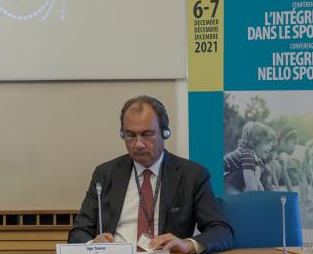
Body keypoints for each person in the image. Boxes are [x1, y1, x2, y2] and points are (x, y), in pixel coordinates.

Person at [69, 95, 233, 253]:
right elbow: (78, 232)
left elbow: (221, 231)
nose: (138, 144)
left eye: (147, 134)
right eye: (130, 135)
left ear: (165, 133)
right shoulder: (105, 174)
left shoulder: (192, 175)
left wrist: (187, 244)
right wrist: (94, 245)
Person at [223, 121, 276, 194]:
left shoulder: (251, 157)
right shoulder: (247, 155)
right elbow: (251, 190)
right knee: (255, 170)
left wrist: (264, 196)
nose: (270, 147)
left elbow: (258, 185)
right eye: (267, 143)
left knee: (257, 170)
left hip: (226, 183)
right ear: (256, 143)